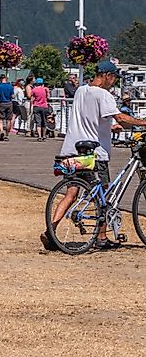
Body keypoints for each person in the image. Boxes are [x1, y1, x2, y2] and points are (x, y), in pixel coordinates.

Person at [42, 61, 146, 251]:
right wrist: (143, 122)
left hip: (72, 150)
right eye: (113, 79)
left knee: (71, 193)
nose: (113, 83)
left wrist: (110, 127)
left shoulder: (81, 90)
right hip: (95, 154)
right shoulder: (104, 95)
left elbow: (90, 119)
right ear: (107, 75)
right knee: (103, 195)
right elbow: (121, 117)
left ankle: (51, 230)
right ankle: (101, 238)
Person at [0, 74, 15, 142]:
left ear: (0, 79)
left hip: (2, 103)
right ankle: (7, 135)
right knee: (8, 120)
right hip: (9, 103)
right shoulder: (10, 86)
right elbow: (13, 96)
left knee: (0, 119)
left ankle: (2, 131)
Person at [31, 77, 50, 141]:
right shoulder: (45, 89)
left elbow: (32, 99)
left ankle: (39, 136)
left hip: (36, 106)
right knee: (44, 122)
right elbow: (48, 97)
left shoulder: (34, 90)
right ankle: (44, 135)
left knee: (38, 122)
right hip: (44, 106)